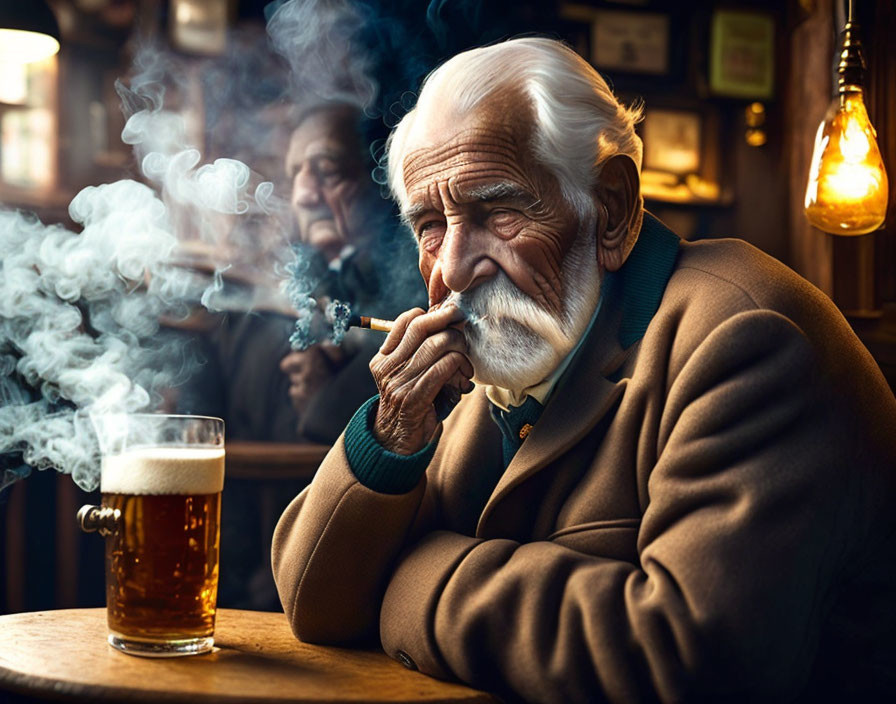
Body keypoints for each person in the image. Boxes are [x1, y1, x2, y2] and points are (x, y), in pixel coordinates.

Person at [271, 38, 896, 702]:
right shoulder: (520, 357)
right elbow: (317, 605)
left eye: (497, 210)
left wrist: (412, 578)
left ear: (612, 207)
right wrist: (393, 439)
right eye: (431, 224)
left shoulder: (746, 338)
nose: (451, 268)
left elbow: (690, 661)